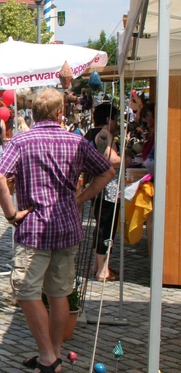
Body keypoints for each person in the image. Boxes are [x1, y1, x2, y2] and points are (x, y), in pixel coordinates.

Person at [0, 87, 115, 373]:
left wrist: (10, 214)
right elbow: (108, 171)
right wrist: (81, 198)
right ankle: (54, 354)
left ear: (33, 112)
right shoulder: (75, 141)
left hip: (34, 226)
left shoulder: (21, 140)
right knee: (59, 292)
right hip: (68, 225)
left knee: (25, 288)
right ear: (61, 113)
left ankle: (48, 356)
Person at [84, 102, 123, 282]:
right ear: (108, 119)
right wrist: (125, 158)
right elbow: (110, 159)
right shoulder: (104, 134)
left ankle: (99, 265)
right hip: (106, 188)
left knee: (101, 226)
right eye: (115, 118)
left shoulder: (90, 133)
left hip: (96, 186)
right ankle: (102, 270)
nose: (117, 123)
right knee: (106, 227)